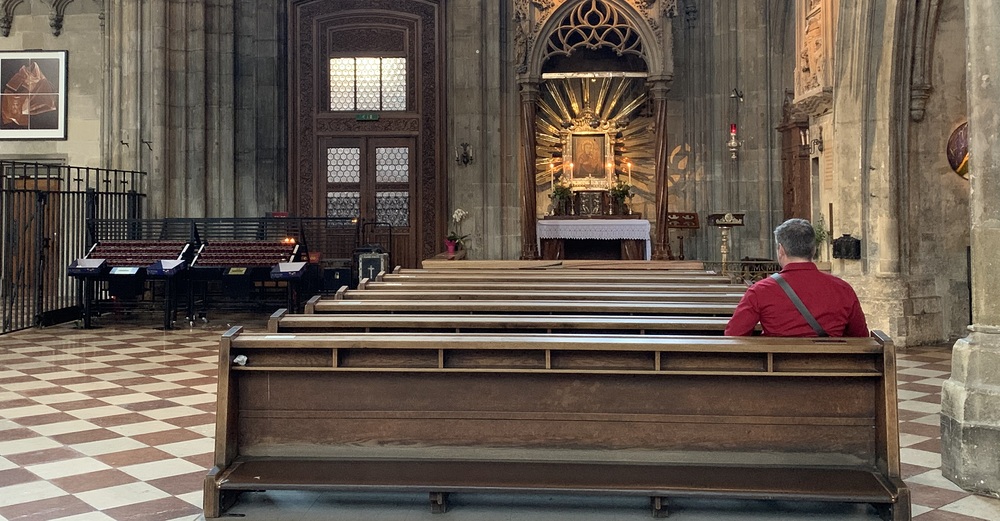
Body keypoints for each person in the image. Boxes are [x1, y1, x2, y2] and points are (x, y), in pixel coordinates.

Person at [725, 218, 868, 337]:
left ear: (781, 250)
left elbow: (734, 336)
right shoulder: (842, 289)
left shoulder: (760, 291)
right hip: (831, 363)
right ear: (814, 249)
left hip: (778, 363)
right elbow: (860, 337)